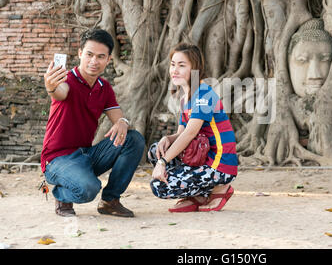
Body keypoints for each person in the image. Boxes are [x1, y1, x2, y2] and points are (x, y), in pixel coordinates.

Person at [41, 28, 145, 217]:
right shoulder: (66, 80)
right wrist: (51, 87)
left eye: (100, 56)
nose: (94, 61)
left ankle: (110, 201)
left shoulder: (104, 88)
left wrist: (122, 122)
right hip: (57, 159)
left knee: (133, 139)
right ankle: (62, 195)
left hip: (86, 155)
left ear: (108, 59)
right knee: (89, 188)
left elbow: (117, 114)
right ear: (80, 53)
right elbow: (59, 92)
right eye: (89, 54)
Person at [147, 42, 238, 212]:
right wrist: (167, 139)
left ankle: (220, 188)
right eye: (173, 64)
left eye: (182, 65)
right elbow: (182, 133)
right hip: (202, 157)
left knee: (160, 186)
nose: (175, 70)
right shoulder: (185, 97)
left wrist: (163, 162)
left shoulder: (203, 95)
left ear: (194, 68)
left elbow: (190, 134)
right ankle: (198, 196)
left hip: (219, 164)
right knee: (156, 150)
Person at [287, 18, 332, 97]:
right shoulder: (270, 103)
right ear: (287, 63)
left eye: (325, 59)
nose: (314, 75)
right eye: (302, 60)